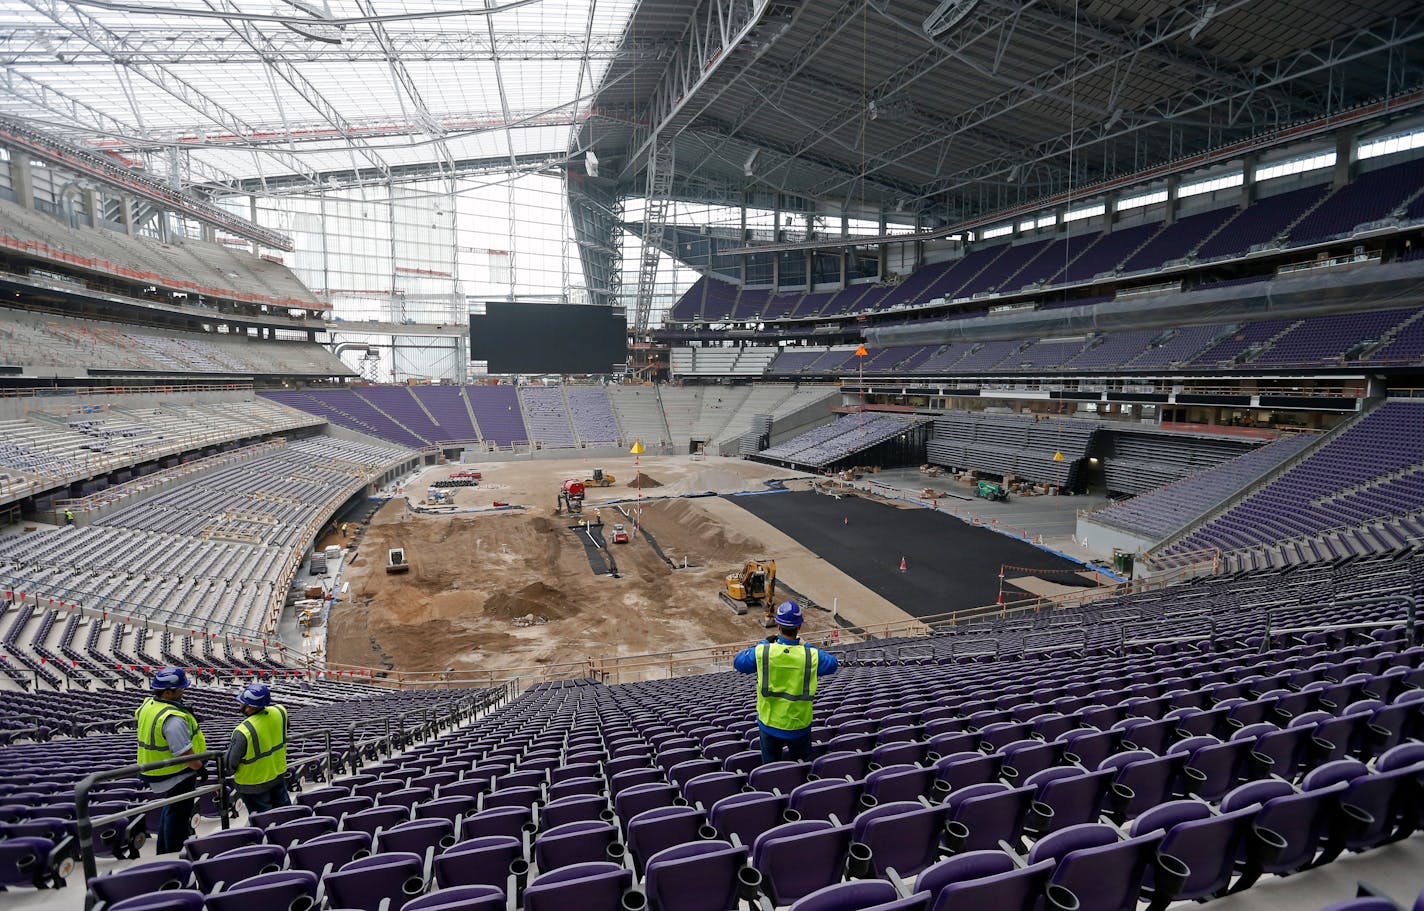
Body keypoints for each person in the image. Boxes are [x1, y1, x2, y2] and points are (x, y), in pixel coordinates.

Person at [734, 601, 838, 764]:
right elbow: (832, 664)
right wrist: (807, 645)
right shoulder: (810, 655)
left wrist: (763, 643)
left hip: (769, 723)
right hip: (799, 725)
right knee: (802, 763)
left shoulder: (765, 651)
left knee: (770, 766)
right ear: (799, 627)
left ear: (778, 626)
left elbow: (739, 663)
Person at [135, 667, 206, 854]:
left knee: (170, 810)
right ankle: (174, 852)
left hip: (157, 770)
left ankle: (163, 849)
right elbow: (183, 753)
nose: (183, 692)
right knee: (178, 815)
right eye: (180, 689)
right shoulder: (173, 719)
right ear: (167, 692)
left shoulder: (149, 705)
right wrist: (200, 768)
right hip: (176, 773)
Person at [225, 682, 291, 815]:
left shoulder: (243, 731)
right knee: (285, 813)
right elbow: (285, 727)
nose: (240, 704)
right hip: (277, 773)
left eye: (242, 702)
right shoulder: (280, 711)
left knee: (264, 819)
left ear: (249, 708)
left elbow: (230, 764)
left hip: (253, 784)